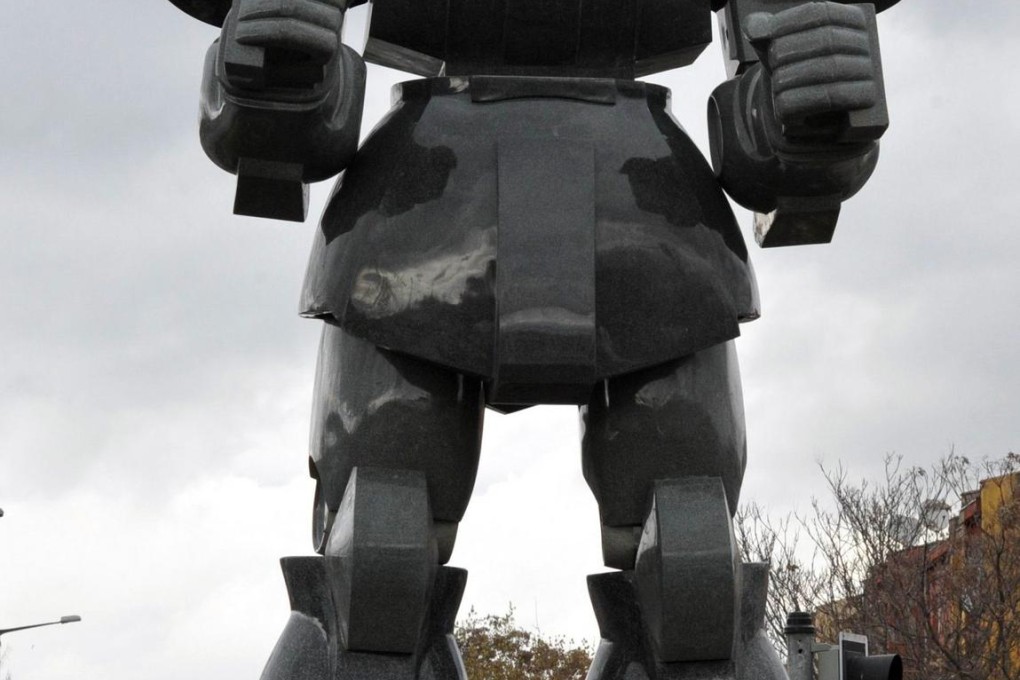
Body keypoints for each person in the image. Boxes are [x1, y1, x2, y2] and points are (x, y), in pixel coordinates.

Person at [169, 0, 892, 677]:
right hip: (428, 231)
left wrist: (811, 98)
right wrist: (276, 68)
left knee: (693, 572)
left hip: (640, 238)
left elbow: (785, 162)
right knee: (378, 567)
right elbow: (279, 142)